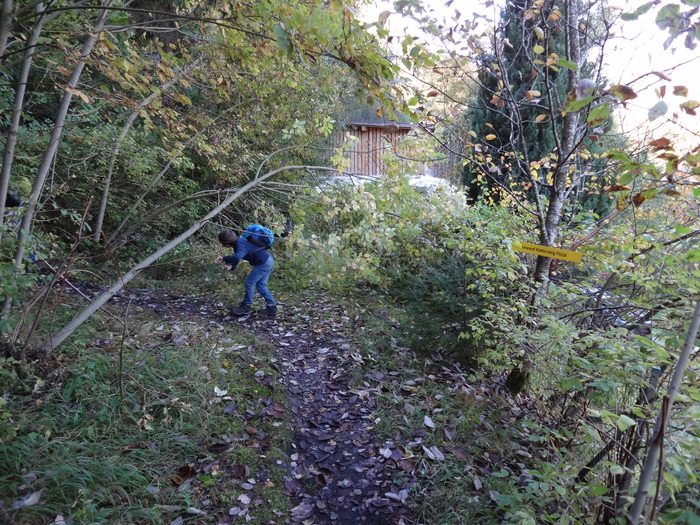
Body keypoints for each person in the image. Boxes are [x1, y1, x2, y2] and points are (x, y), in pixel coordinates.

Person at [215, 229, 278, 317]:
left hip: (263, 263)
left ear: (226, 244)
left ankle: (246, 307)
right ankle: (272, 308)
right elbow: (239, 256)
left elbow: (238, 256)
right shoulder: (240, 242)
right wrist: (231, 265)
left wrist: (223, 258)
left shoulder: (240, 244)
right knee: (261, 286)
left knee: (249, 283)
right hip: (268, 261)